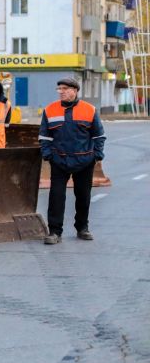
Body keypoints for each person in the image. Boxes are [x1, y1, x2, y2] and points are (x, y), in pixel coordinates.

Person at [39, 77, 105, 244]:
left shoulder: (89, 110)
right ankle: (54, 232)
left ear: (75, 91)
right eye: (59, 88)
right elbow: (44, 136)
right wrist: (48, 155)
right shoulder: (50, 110)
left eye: (64, 89)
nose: (61, 91)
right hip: (59, 161)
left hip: (84, 161)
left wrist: (96, 155)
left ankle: (82, 228)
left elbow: (99, 135)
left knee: (83, 196)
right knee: (56, 196)